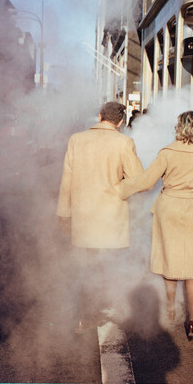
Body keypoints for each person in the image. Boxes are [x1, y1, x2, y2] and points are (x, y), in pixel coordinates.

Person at [116, 111, 193, 342]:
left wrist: (119, 190)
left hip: (169, 207)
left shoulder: (167, 152)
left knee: (168, 257)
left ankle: (171, 307)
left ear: (179, 128)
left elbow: (146, 181)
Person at [56, 101, 144, 331]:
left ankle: (85, 314)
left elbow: (67, 181)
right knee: (107, 264)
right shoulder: (124, 142)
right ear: (121, 121)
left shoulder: (77, 140)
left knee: (87, 264)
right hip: (111, 215)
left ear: (99, 116)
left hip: (83, 214)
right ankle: (103, 308)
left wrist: (64, 213)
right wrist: (119, 191)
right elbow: (138, 180)